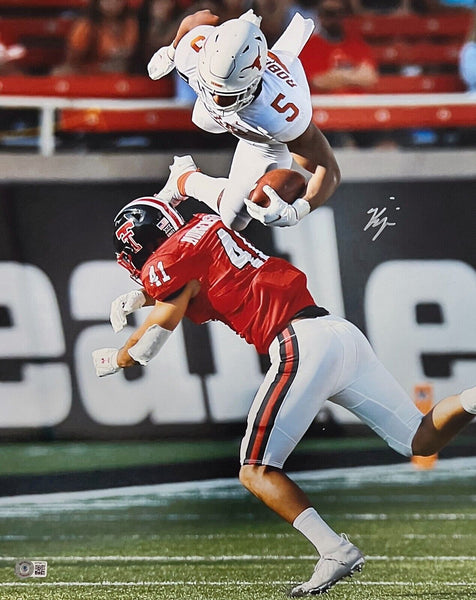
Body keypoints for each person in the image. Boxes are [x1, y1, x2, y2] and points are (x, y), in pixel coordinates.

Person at [93, 191, 476, 597]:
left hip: (300, 343)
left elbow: (149, 343)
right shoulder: (203, 226)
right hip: (339, 332)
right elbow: (197, 275)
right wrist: (143, 297)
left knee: (254, 469)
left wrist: (115, 359)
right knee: (418, 439)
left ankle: (335, 550)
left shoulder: (166, 262)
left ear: (137, 242)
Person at [147, 8, 340, 232]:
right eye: (213, 89)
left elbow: (328, 169)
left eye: (229, 95)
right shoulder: (190, 52)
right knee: (201, 117)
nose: (218, 100)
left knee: (235, 220)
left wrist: (299, 210)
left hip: (263, 139)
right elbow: (199, 19)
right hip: (217, 116)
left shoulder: (280, 112)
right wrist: (171, 52)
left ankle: (184, 179)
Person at [299, 0, 379, 94]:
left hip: (357, 104)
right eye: (330, 13)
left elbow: (370, 78)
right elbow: (317, 82)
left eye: (340, 13)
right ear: (320, 16)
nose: (336, 18)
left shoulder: (357, 44)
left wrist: (337, 75)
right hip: (324, 105)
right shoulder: (309, 46)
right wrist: (353, 76)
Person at [52, 0, 139, 75]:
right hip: (90, 75)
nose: (113, 3)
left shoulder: (131, 25)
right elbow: (73, 60)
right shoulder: (85, 27)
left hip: (125, 76)